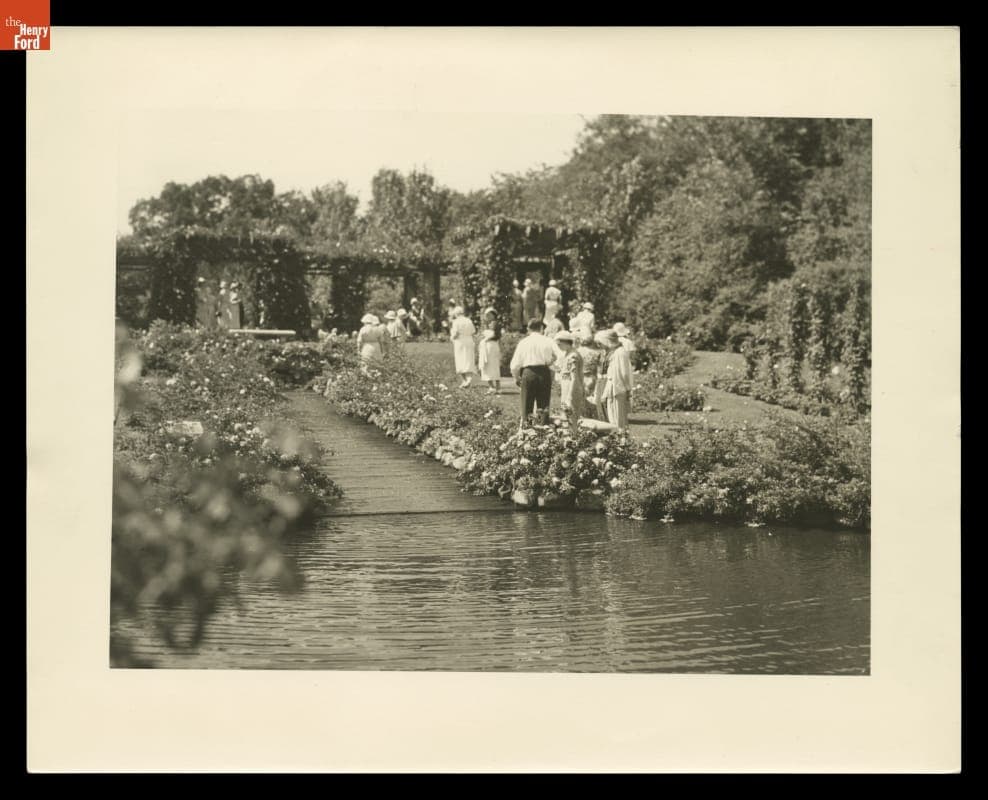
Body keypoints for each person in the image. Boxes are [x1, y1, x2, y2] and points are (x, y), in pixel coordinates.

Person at [509, 318, 557, 428]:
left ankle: (526, 432)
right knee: (543, 406)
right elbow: (559, 355)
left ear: (528, 329)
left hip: (528, 372)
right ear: (541, 328)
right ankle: (544, 432)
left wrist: (516, 378)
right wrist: (552, 365)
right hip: (544, 372)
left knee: (526, 405)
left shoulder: (524, 342)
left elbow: (515, 364)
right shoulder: (548, 341)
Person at [595, 329, 634, 431]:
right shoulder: (613, 352)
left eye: (600, 343)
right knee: (611, 415)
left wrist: (628, 389)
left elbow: (624, 373)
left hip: (616, 388)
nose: (599, 345)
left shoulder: (619, 353)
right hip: (612, 387)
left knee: (617, 417)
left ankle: (620, 438)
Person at [554, 331, 586, 434]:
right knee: (566, 416)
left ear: (565, 342)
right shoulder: (568, 354)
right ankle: (568, 437)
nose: (558, 347)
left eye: (559, 344)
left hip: (572, 388)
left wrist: (570, 395)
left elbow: (574, 377)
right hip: (566, 387)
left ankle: (573, 437)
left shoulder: (573, 356)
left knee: (571, 415)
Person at [477, 307, 503, 395]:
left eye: (489, 314)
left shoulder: (495, 324)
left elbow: (497, 335)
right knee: (486, 366)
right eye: (486, 315)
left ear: (493, 315)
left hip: (492, 346)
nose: (488, 316)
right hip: (486, 347)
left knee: (494, 366)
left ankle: (498, 387)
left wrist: (486, 339)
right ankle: (491, 386)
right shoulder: (486, 325)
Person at [449, 306, 477, 387]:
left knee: (460, 360)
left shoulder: (456, 321)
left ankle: (466, 380)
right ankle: (467, 380)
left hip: (460, 342)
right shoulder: (468, 320)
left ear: (455, 314)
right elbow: (473, 331)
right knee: (468, 360)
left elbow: (455, 334)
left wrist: (451, 338)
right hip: (469, 341)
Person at [577, 332, 602, 417]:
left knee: (580, 397)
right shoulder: (596, 353)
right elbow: (599, 368)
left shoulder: (577, 352)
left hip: (579, 377)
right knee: (590, 397)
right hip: (591, 377)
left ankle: (581, 414)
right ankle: (590, 414)